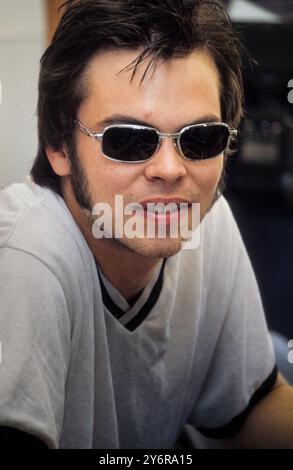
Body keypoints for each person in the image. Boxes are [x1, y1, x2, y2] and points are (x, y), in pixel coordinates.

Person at [0, 0, 293, 449]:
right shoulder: (26, 261)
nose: (171, 170)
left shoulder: (205, 219)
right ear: (58, 146)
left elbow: (253, 405)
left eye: (201, 138)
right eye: (129, 140)